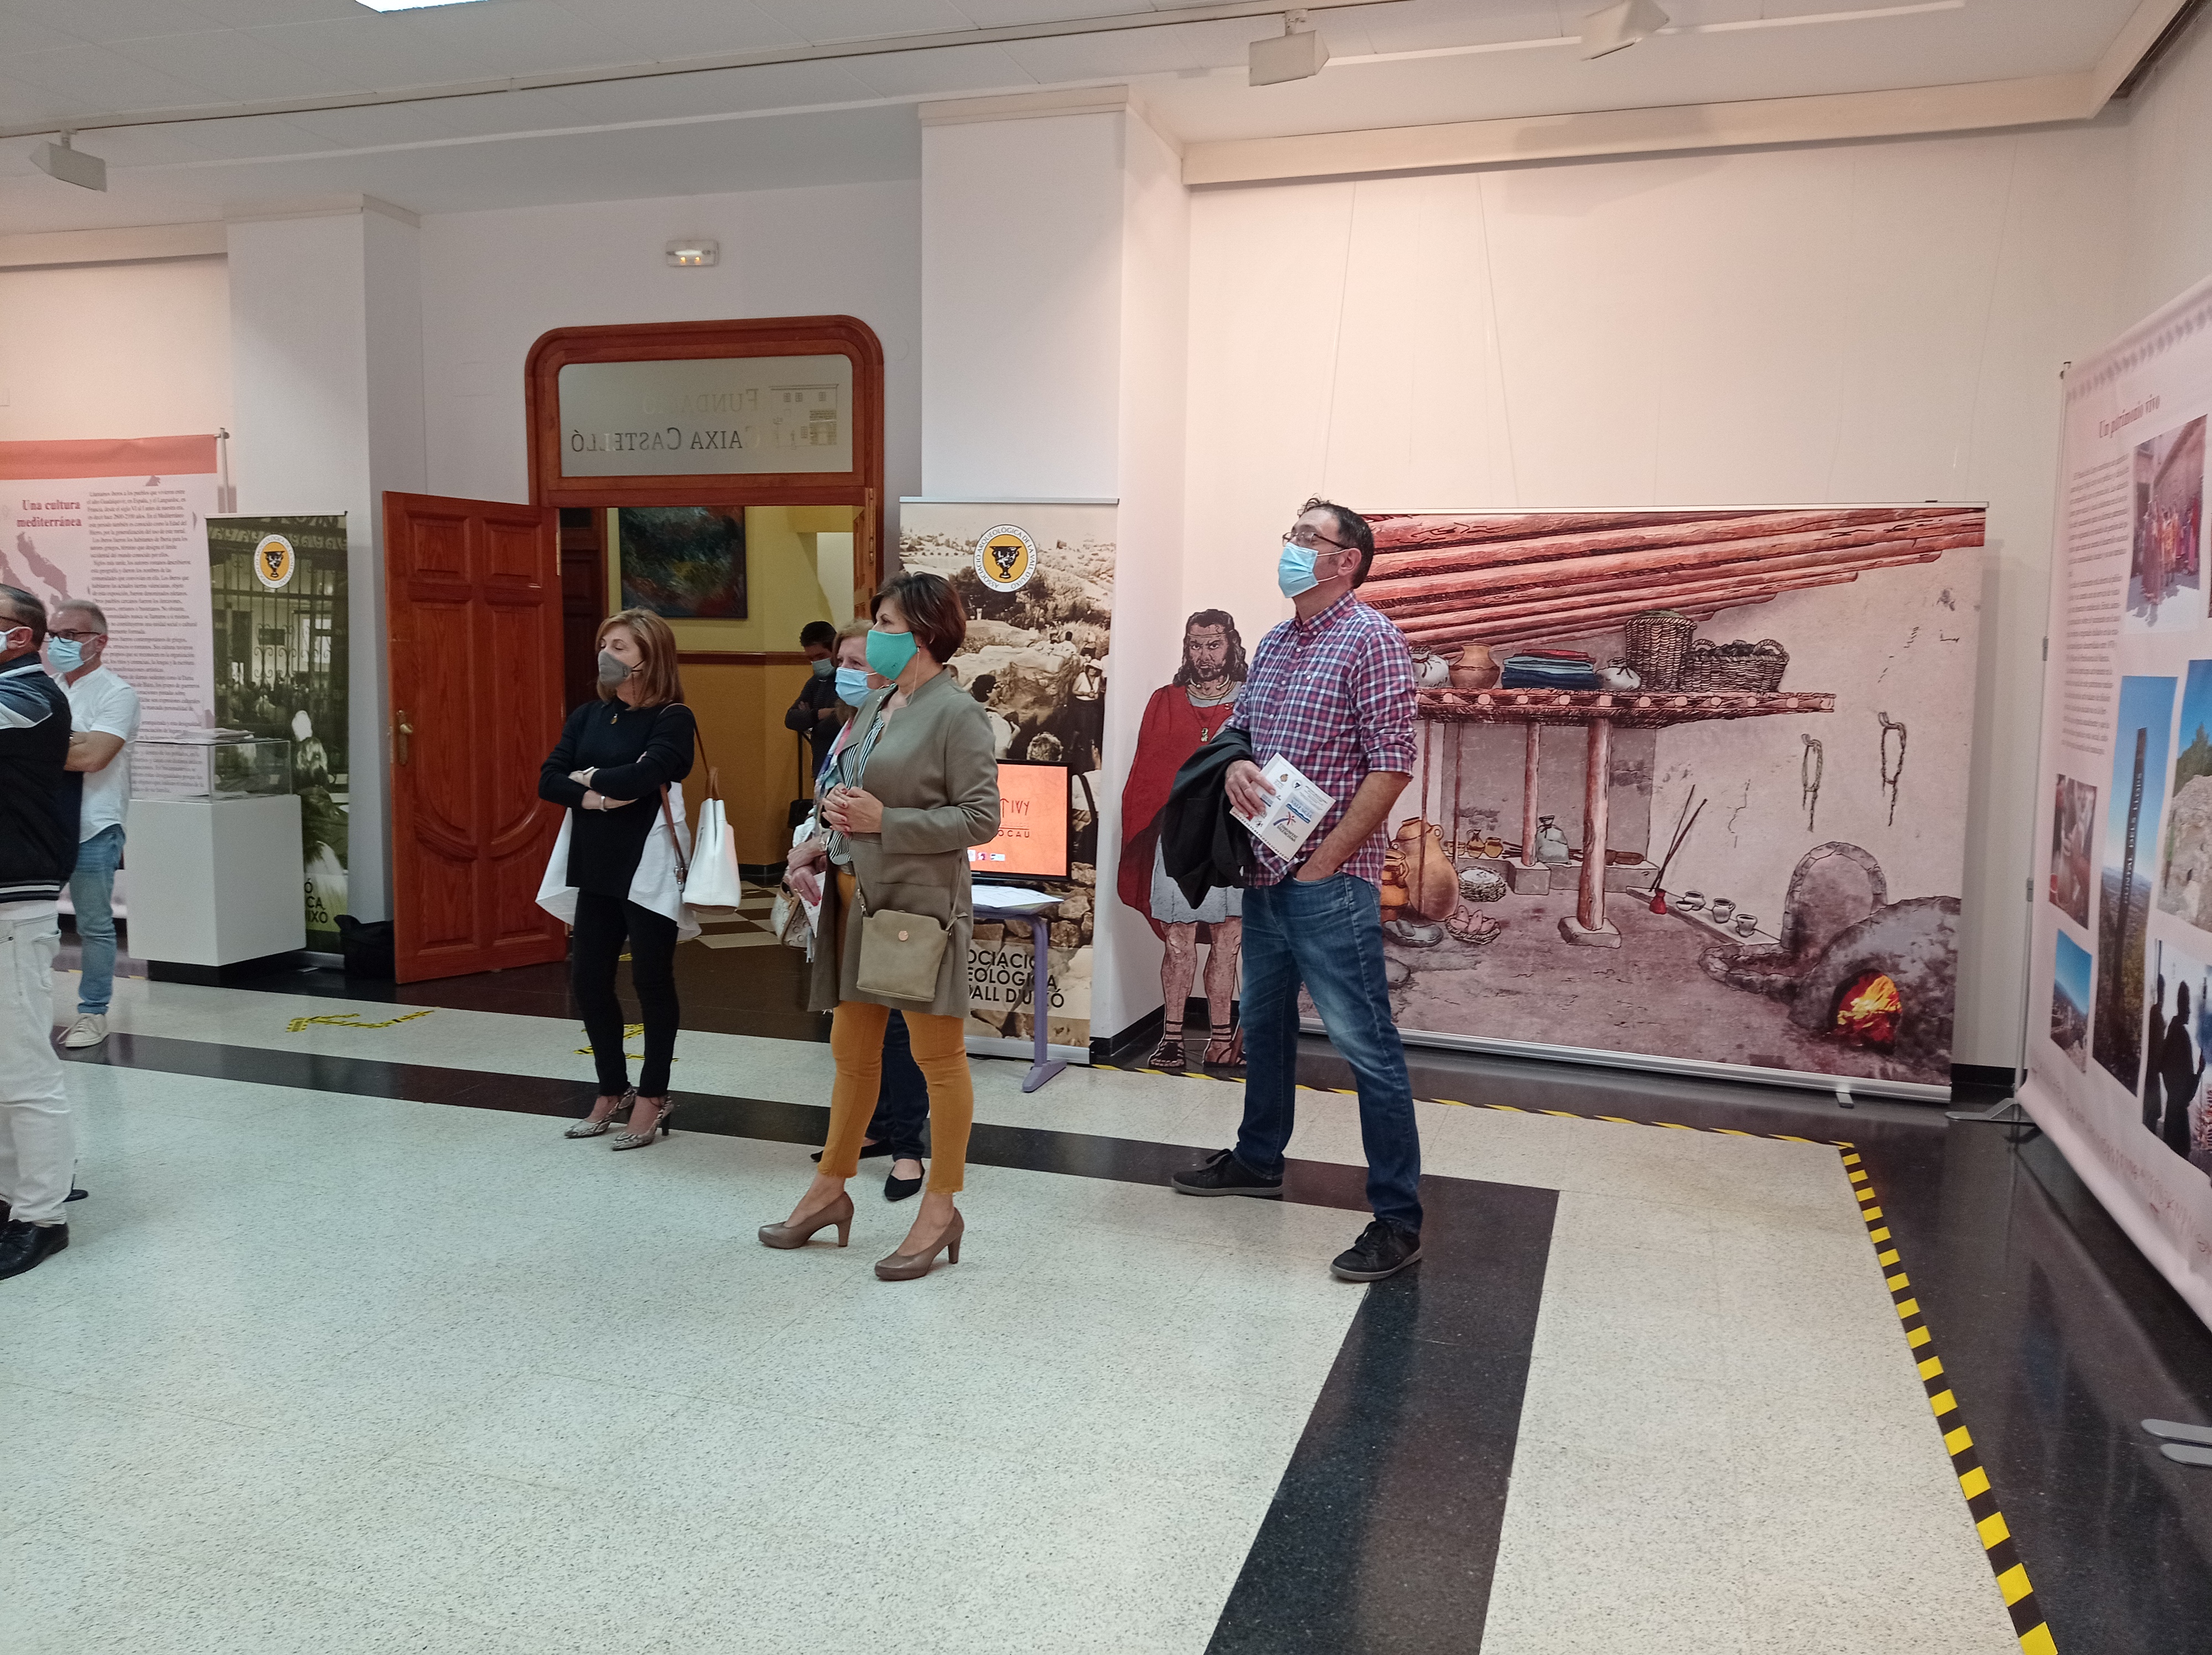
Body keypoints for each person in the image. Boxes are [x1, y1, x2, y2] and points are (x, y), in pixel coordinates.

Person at [1171, 498, 1426, 1284]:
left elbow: (1392, 766)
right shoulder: (1279, 642)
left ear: (1346, 560)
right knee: (1265, 1025)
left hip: (1329, 883)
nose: (1290, 547)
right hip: (1264, 872)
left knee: (1366, 1047)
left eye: (1306, 537)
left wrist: (1324, 865)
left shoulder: (1373, 640)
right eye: (1291, 534)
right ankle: (1257, 1158)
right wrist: (1236, 764)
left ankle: (1397, 1217)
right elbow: (1241, 732)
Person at [765, 570, 999, 1279]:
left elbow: (979, 818)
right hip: (853, 897)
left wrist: (885, 821)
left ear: (924, 633)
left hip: (917, 906)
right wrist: (819, 840)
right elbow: (847, 794)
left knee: (937, 1059)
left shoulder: (957, 713)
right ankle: (829, 1189)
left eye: (887, 625)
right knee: (851, 1051)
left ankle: (941, 1206)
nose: (874, 637)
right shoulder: (875, 704)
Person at [538, 610, 696, 1150]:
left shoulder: (672, 717)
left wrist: (588, 779)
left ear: (649, 657)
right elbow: (549, 779)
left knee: (651, 981)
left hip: (647, 862)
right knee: (588, 980)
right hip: (595, 861)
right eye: (604, 643)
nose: (606, 654)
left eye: (620, 646)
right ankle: (612, 1088)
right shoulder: (589, 715)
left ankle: (653, 1095)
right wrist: (599, 797)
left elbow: (647, 775)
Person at [805, 616, 931, 1204]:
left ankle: (909, 1149)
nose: (844, 673)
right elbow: (833, 801)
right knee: (857, 1030)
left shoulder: (910, 724)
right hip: (846, 886)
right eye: (841, 662)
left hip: (892, 892)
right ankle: (873, 1128)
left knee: (902, 1030)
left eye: (856, 663)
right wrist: (812, 843)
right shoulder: (850, 724)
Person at [1118, 609, 1250, 1071]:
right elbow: (1146, 774)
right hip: (1176, 838)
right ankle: (1172, 1039)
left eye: (1213, 645)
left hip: (1230, 838)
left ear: (1231, 645)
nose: (1204, 655)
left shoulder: (1251, 698)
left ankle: (1221, 1041)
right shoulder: (1165, 701)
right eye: (1196, 645)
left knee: (1227, 942)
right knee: (1178, 942)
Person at [0, 585, 78, 1281]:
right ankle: (11, 1197)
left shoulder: (32, 696)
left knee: (23, 1071)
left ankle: (42, 1217)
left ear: (19, 635)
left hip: (12, 912)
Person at [49, 600, 139, 1050]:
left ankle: (93, 1012)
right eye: (54, 635)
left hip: (94, 825)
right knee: (32, 923)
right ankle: (28, 1006)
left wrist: (42, 746)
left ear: (99, 641)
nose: (59, 644)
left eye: (71, 635)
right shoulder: (46, 689)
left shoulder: (117, 694)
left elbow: (94, 757)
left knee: (94, 925)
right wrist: (71, 741)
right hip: (42, 826)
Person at [785, 620, 843, 779]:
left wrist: (811, 725)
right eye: (811, 659)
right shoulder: (816, 682)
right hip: (820, 768)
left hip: (843, 768)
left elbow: (842, 720)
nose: (816, 663)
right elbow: (791, 719)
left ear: (835, 649)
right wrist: (819, 714)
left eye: (821, 656)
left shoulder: (849, 680)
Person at [2159, 981, 2205, 1158]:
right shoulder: (2181, 1037)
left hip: (2172, 1113)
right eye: (2188, 1008)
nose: (2190, 1012)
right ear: (2183, 1008)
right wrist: (2200, 1071)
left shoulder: (2173, 1033)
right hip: (2178, 1121)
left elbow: (2164, 1067)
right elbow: (2187, 1093)